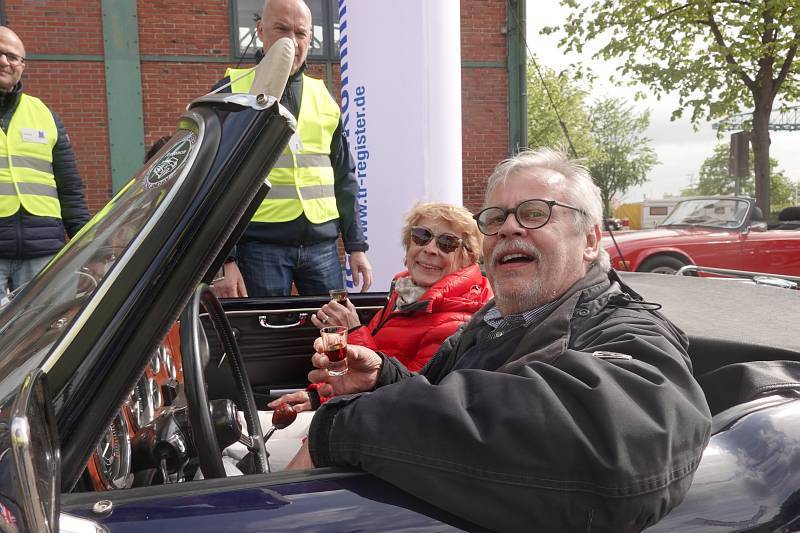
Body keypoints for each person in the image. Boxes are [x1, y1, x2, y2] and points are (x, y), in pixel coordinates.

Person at [285, 148, 712, 532]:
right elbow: (447, 398)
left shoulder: (625, 327)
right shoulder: (491, 321)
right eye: (494, 218)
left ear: (589, 240)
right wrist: (385, 378)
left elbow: (623, 449)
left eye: (534, 213)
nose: (509, 227)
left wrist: (346, 427)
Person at [213, 0, 371, 298]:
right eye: (281, 29)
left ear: (310, 37)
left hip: (322, 248)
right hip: (259, 249)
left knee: (336, 326)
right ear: (260, 31)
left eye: (300, 33)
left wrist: (356, 247)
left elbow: (344, 178)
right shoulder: (231, 91)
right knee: (269, 329)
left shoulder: (323, 96)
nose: (292, 42)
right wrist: (226, 260)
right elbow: (215, 183)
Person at [270, 202, 493, 412]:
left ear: (468, 257)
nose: (430, 249)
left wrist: (354, 330)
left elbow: (409, 394)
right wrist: (317, 396)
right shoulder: (405, 294)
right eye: (421, 236)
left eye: (447, 243)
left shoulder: (456, 320)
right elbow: (372, 371)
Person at [0, 26, 89, 296]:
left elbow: (69, 186)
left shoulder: (44, 114)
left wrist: (87, 244)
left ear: (22, 66)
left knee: (50, 323)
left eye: (12, 56)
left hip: (43, 251)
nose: (4, 61)